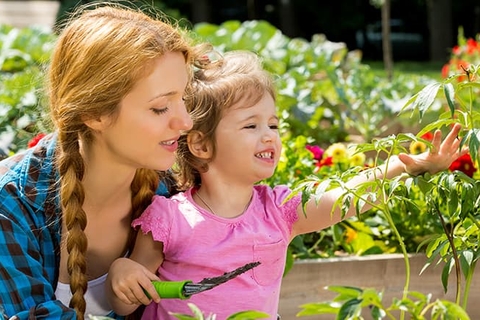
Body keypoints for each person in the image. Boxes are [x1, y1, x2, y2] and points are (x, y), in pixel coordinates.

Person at [105, 51, 468, 319]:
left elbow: (347, 197)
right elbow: (126, 302)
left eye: (274, 125)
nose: (269, 137)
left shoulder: (279, 211)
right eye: (251, 126)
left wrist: (407, 167)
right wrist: (122, 275)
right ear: (201, 145)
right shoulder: (169, 218)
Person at [0, 2, 208, 319]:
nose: (185, 121)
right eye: (160, 108)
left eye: (183, 99)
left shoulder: (170, 194)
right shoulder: (14, 204)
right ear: (94, 113)